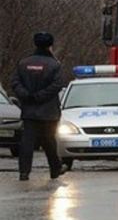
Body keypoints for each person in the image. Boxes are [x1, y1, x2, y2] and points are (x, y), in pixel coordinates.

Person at [11, 32, 66, 181]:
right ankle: (55, 169)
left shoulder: (24, 63)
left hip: (29, 111)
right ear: (50, 46)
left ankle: (24, 172)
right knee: (49, 141)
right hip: (48, 111)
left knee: (27, 143)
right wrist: (40, 96)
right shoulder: (54, 64)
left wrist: (26, 95)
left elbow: (15, 82)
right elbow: (57, 85)